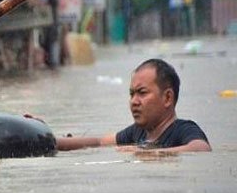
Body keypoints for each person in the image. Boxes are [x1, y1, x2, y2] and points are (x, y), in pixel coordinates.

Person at [55, 58, 211, 153]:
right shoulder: (138, 133)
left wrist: (150, 153)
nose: (134, 101)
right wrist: (49, 139)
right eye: (132, 94)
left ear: (167, 98)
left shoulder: (183, 129)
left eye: (142, 93)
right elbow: (99, 142)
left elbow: (201, 148)